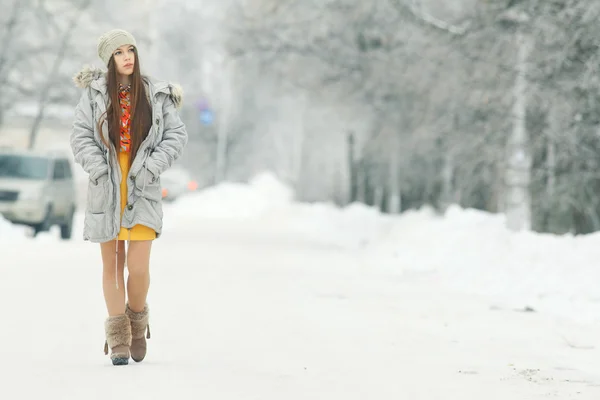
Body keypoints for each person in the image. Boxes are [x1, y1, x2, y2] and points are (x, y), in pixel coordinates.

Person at [70, 29, 188, 366]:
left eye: (131, 50)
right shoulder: (94, 95)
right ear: (109, 59)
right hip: (107, 185)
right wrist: (98, 168)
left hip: (142, 184)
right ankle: (118, 337)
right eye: (119, 52)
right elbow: (80, 136)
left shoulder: (155, 94)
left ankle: (137, 322)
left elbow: (175, 135)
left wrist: (152, 166)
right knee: (112, 264)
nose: (127, 57)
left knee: (137, 267)